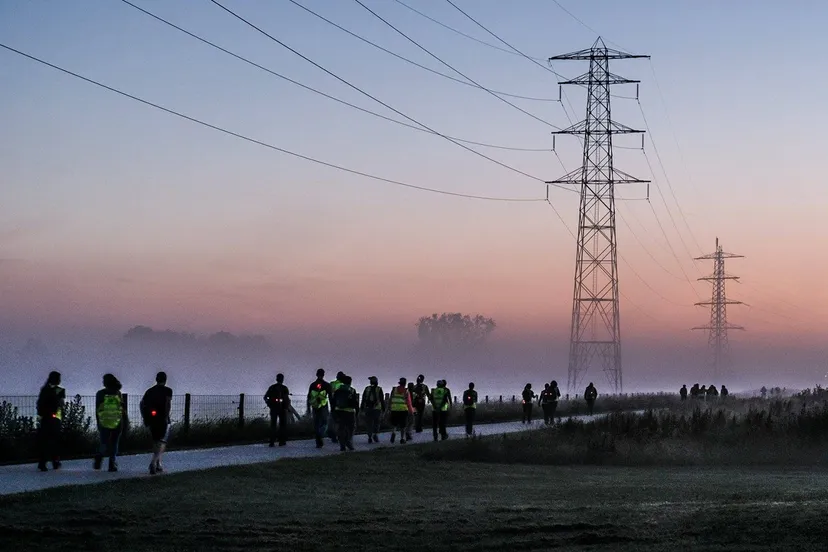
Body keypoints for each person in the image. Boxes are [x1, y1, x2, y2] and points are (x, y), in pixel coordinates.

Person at [140, 371, 173, 475]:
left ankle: (158, 464)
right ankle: (153, 463)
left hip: (151, 419)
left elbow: (142, 404)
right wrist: (166, 417)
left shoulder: (149, 391)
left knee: (156, 441)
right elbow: (167, 404)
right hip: (162, 419)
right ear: (165, 380)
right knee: (162, 441)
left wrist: (144, 417)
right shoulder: (168, 391)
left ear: (156, 379)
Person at [95, 373, 127, 472]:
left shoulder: (100, 393)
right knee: (114, 442)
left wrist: (98, 422)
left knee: (104, 442)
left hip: (104, 421)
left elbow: (98, 409)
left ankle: (100, 456)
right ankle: (112, 463)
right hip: (117, 421)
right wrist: (125, 420)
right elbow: (122, 409)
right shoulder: (118, 393)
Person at [36, 371, 66, 472]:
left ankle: (45, 462)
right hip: (53, 418)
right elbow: (61, 404)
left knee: (47, 440)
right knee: (53, 440)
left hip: (47, 417)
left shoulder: (45, 389)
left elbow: (40, 403)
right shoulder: (58, 390)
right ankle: (53, 461)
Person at [332, 375, 359, 451]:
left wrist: (333, 411)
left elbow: (333, 401)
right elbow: (355, 402)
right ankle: (348, 441)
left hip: (339, 411)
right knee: (351, 428)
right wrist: (357, 411)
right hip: (349, 412)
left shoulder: (338, 390)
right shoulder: (352, 390)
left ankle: (342, 445)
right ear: (350, 382)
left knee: (341, 428)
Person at [307, 369, 333, 448]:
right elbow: (330, 397)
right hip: (323, 406)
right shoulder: (326, 385)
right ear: (323, 375)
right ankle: (320, 435)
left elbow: (309, 397)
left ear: (316, 374)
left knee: (316, 424)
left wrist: (308, 408)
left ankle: (318, 441)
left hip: (314, 406)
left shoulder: (312, 385)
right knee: (324, 422)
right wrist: (332, 407)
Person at [264, 373, 290, 447]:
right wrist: (286, 407)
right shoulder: (284, 388)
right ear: (282, 379)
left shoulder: (272, 387)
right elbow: (286, 399)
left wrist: (269, 404)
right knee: (282, 425)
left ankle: (272, 441)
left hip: (274, 408)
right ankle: (281, 441)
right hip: (282, 409)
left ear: (276, 379)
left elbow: (266, 397)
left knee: (273, 425)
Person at [388, 378, 414, 444]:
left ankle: (393, 432)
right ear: (405, 383)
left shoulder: (394, 389)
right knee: (403, 425)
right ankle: (402, 439)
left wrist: (389, 408)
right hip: (403, 410)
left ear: (399, 383)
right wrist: (411, 411)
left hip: (394, 409)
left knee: (394, 424)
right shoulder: (406, 391)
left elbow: (390, 399)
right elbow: (408, 402)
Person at [361, 376, 385, 444]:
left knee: (369, 423)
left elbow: (363, 399)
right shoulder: (379, 389)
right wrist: (384, 409)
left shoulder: (367, 388)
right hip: (377, 408)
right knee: (377, 422)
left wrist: (362, 409)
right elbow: (381, 400)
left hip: (368, 408)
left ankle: (369, 436)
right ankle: (375, 434)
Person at [327, 371, 346, 444]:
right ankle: (339, 435)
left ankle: (333, 435)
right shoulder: (344, 384)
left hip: (333, 405)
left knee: (333, 421)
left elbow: (329, 394)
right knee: (340, 422)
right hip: (341, 406)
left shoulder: (332, 384)